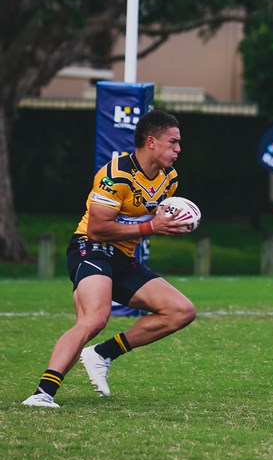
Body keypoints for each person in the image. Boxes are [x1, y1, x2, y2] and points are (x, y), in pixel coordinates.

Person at [22, 110, 197, 408]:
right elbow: (98, 229)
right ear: (151, 142)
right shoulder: (115, 175)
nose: (179, 149)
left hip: (123, 257)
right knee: (95, 317)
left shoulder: (170, 179)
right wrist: (152, 227)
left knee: (181, 311)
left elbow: (152, 217)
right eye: (173, 142)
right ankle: (43, 393)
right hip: (90, 248)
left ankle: (102, 353)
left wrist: (172, 223)